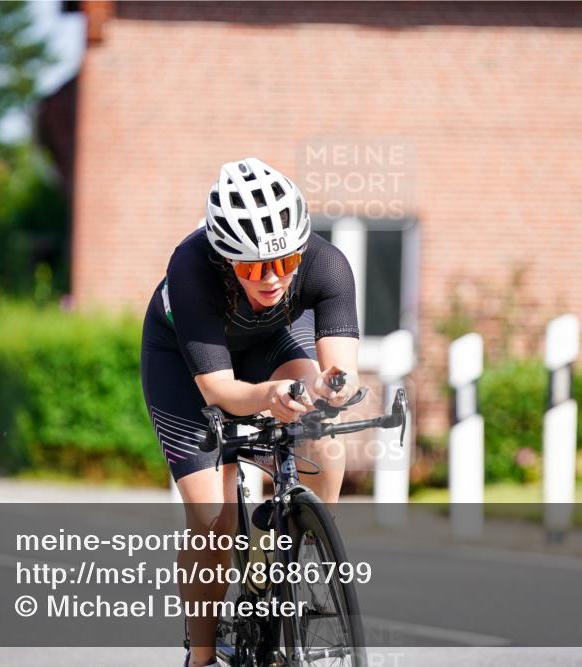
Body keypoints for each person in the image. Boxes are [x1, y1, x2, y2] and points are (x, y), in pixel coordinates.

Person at [140, 157, 360, 667]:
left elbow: (338, 371)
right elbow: (218, 390)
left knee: (325, 448)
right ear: (224, 259)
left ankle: (295, 555)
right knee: (211, 516)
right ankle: (200, 654)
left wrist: (331, 388)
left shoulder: (326, 264)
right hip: (187, 365)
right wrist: (268, 397)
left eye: (285, 264)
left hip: (267, 345)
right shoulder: (191, 268)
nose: (272, 279)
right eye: (254, 268)